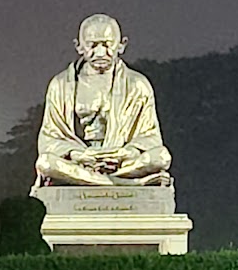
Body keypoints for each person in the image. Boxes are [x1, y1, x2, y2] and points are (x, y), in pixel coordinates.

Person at [34, 14, 172, 186]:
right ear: (79, 46)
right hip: (80, 160)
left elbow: (150, 136)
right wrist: (78, 155)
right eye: (92, 45)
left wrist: (125, 153)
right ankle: (127, 183)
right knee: (46, 163)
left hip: (121, 160)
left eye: (107, 45)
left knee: (161, 157)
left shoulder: (138, 84)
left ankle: (96, 180)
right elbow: (50, 137)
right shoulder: (60, 85)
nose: (100, 53)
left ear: (121, 45)